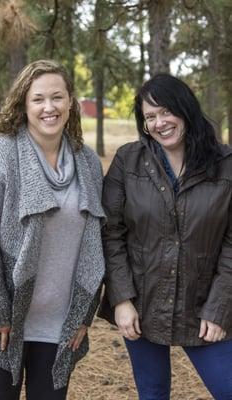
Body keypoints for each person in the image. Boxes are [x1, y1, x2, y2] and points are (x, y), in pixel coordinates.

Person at [0, 59, 105, 400]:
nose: (49, 107)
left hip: (59, 322)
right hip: (1, 316)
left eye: (57, 97)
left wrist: (84, 311)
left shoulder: (87, 162)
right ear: (23, 104)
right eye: (38, 99)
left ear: (70, 101)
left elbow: (95, 243)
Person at [98, 73, 232, 400]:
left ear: (185, 110)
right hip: (143, 302)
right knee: (153, 393)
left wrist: (218, 307)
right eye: (150, 117)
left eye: (166, 111)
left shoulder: (226, 165)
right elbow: (111, 233)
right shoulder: (128, 161)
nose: (159, 123)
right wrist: (122, 299)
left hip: (202, 304)